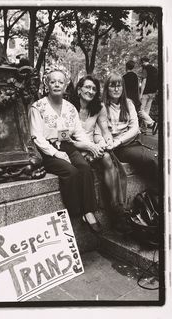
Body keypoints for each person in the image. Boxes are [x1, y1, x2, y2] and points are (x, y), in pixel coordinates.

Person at [28, 66, 103, 233]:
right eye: (52, 81)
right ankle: (76, 213)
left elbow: (78, 132)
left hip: (67, 145)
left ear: (65, 85)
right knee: (71, 172)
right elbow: (36, 137)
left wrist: (90, 146)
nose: (56, 84)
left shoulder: (70, 108)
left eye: (60, 82)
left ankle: (89, 211)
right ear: (46, 84)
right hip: (47, 150)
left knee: (84, 167)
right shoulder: (37, 107)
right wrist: (55, 153)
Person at [74, 75, 130, 233]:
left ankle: (117, 210)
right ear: (79, 89)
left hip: (93, 147)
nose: (90, 91)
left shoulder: (98, 107)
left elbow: (104, 132)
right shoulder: (69, 106)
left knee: (107, 157)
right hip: (75, 148)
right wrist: (90, 147)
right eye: (87, 87)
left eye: (94, 89)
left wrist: (106, 143)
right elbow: (65, 137)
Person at [102, 72, 158, 192]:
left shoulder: (128, 103)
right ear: (107, 88)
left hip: (133, 140)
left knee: (161, 153)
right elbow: (104, 131)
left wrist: (119, 140)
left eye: (119, 85)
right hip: (120, 148)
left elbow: (134, 128)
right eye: (112, 86)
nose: (116, 89)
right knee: (152, 159)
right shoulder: (102, 107)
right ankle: (160, 192)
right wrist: (115, 142)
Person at [139, 56, 158, 134]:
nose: (141, 64)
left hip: (146, 93)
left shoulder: (145, 69)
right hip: (153, 93)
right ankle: (144, 129)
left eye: (141, 62)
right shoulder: (155, 69)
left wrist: (141, 94)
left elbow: (144, 81)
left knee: (140, 111)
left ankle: (152, 123)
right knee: (146, 112)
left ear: (143, 61)